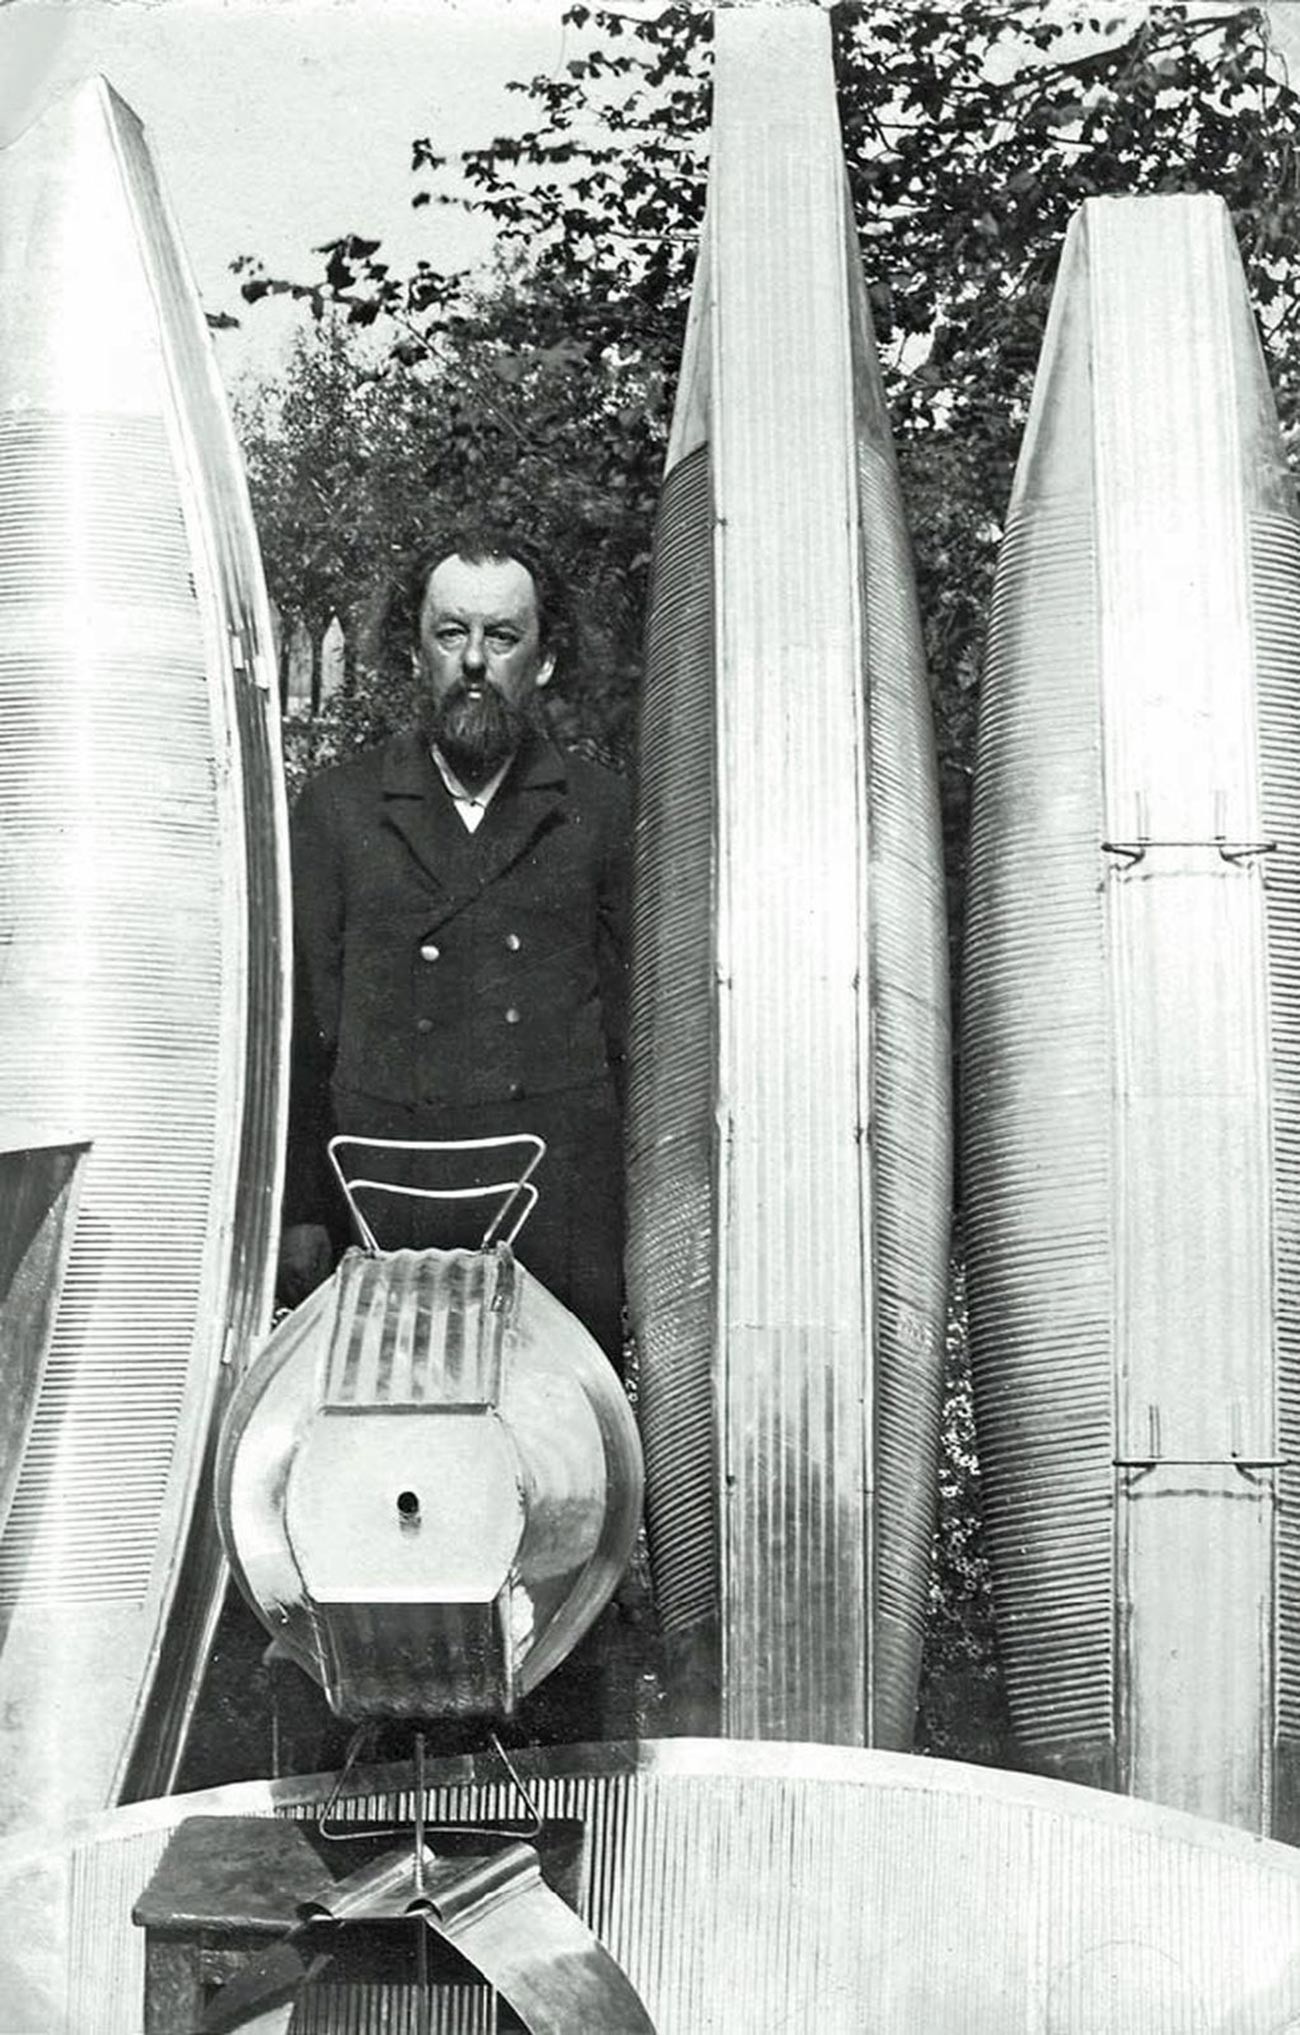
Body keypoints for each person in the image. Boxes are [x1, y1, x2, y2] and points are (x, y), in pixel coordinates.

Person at [278, 527, 629, 1364]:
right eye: (451, 634)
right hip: (381, 1206)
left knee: (564, 1471)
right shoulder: (340, 809)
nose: (475, 660)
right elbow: (297, 1029)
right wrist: (297, 1209)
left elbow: (636, 1036)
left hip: (554, 1217)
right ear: (416, 652)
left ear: (542, 661)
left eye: (502, 637)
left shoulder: (603, 812)